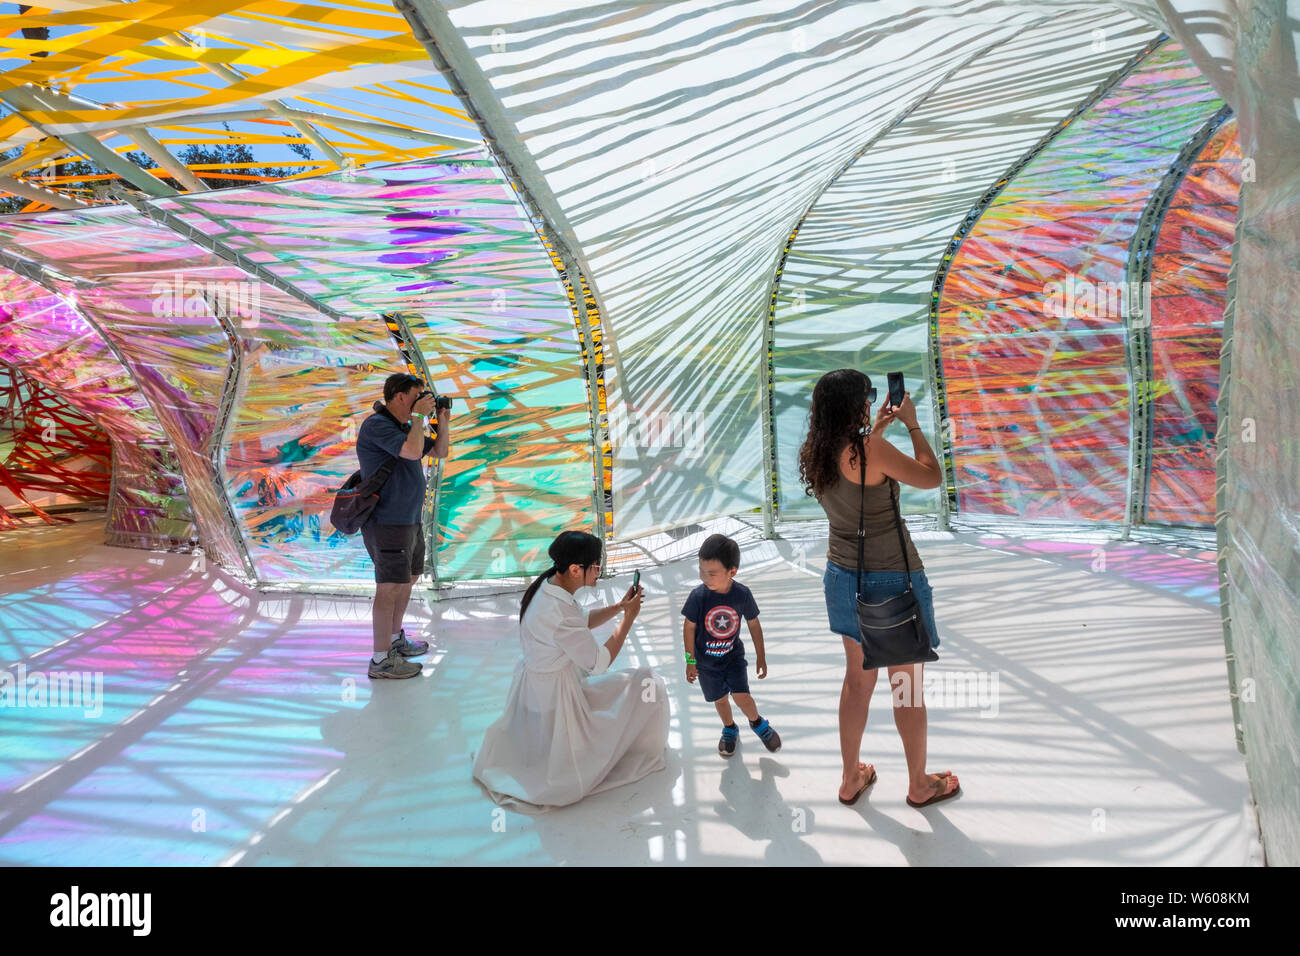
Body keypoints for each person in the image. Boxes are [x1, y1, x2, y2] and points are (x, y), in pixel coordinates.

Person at [798, 369, 960, 809]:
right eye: (868, 396)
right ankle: (919, 785)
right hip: (891, 580)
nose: (873, 401)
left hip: (841, 577)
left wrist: (880, 430)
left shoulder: (817, 449)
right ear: (856, 405)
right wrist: (911, 423)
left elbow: (858, 475)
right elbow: (931, 477)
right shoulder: (870, 449)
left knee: (857, 681)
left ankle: (851, 777)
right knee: (905, 685)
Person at [472, 530, 669, 811]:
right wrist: (628, 619)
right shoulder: (560, 611)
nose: (600, 572)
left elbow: (581, 621)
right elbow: (599, 662)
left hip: (537, 689)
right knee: (648, 682)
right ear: (576, 569)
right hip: (558, 698)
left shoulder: (549, 587)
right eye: (596, 566)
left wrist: (619, 607)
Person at [355, 372, 450, 678]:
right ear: (399, 396)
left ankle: (395, 640)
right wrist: (420, 418)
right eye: (416, 396)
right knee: (389, 587)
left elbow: (439, 451)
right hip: (387, 521)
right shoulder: (377, 426)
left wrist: (443, 420)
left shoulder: (408, 427)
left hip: (409, 520)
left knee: (407, 579)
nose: (422, 401)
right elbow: (410, 451)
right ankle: (381, 660)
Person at [682, 533, 781, 757]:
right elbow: (688, 627)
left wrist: (761, 656)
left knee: (741, 695)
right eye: (701, 571)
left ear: (732, 572)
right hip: (706, 664)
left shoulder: (742, 594)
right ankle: (729, 729)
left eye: (712, 573)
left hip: (732, 658)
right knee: (720, 699)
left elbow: (754, 624)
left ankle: (758, 723)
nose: (705, 577)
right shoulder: (698, 596)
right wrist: (690, 661)